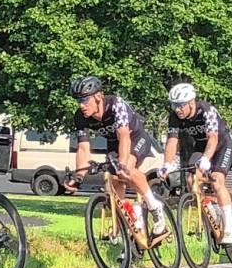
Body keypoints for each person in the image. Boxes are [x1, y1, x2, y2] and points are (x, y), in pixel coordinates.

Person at [63, 76, 167, 236]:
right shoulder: (80, 117)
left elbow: (124, 136)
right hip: (114, 143)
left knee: (126, 170)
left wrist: (123, 164)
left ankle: (155, 207)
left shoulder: (115, 105)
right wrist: (78, 176)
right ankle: (128, 222)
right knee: (112, 181)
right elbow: (83, 148)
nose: (82, 105)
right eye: (79, 101)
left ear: (98, 96)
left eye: (85, 100)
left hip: (135, 138)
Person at [158, 82, 232, 244]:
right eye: (174, 105)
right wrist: (167, 164)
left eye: (181, 105)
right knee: (191, 180)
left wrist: (207, 159)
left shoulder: (206, 111)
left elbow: (213, 138)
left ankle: (229, 228)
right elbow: (172, 141)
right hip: (200, 147)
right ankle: (212, 214)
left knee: (216, 181)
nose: (177, 109)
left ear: (191, 102)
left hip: (221, 146)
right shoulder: (175, 116)